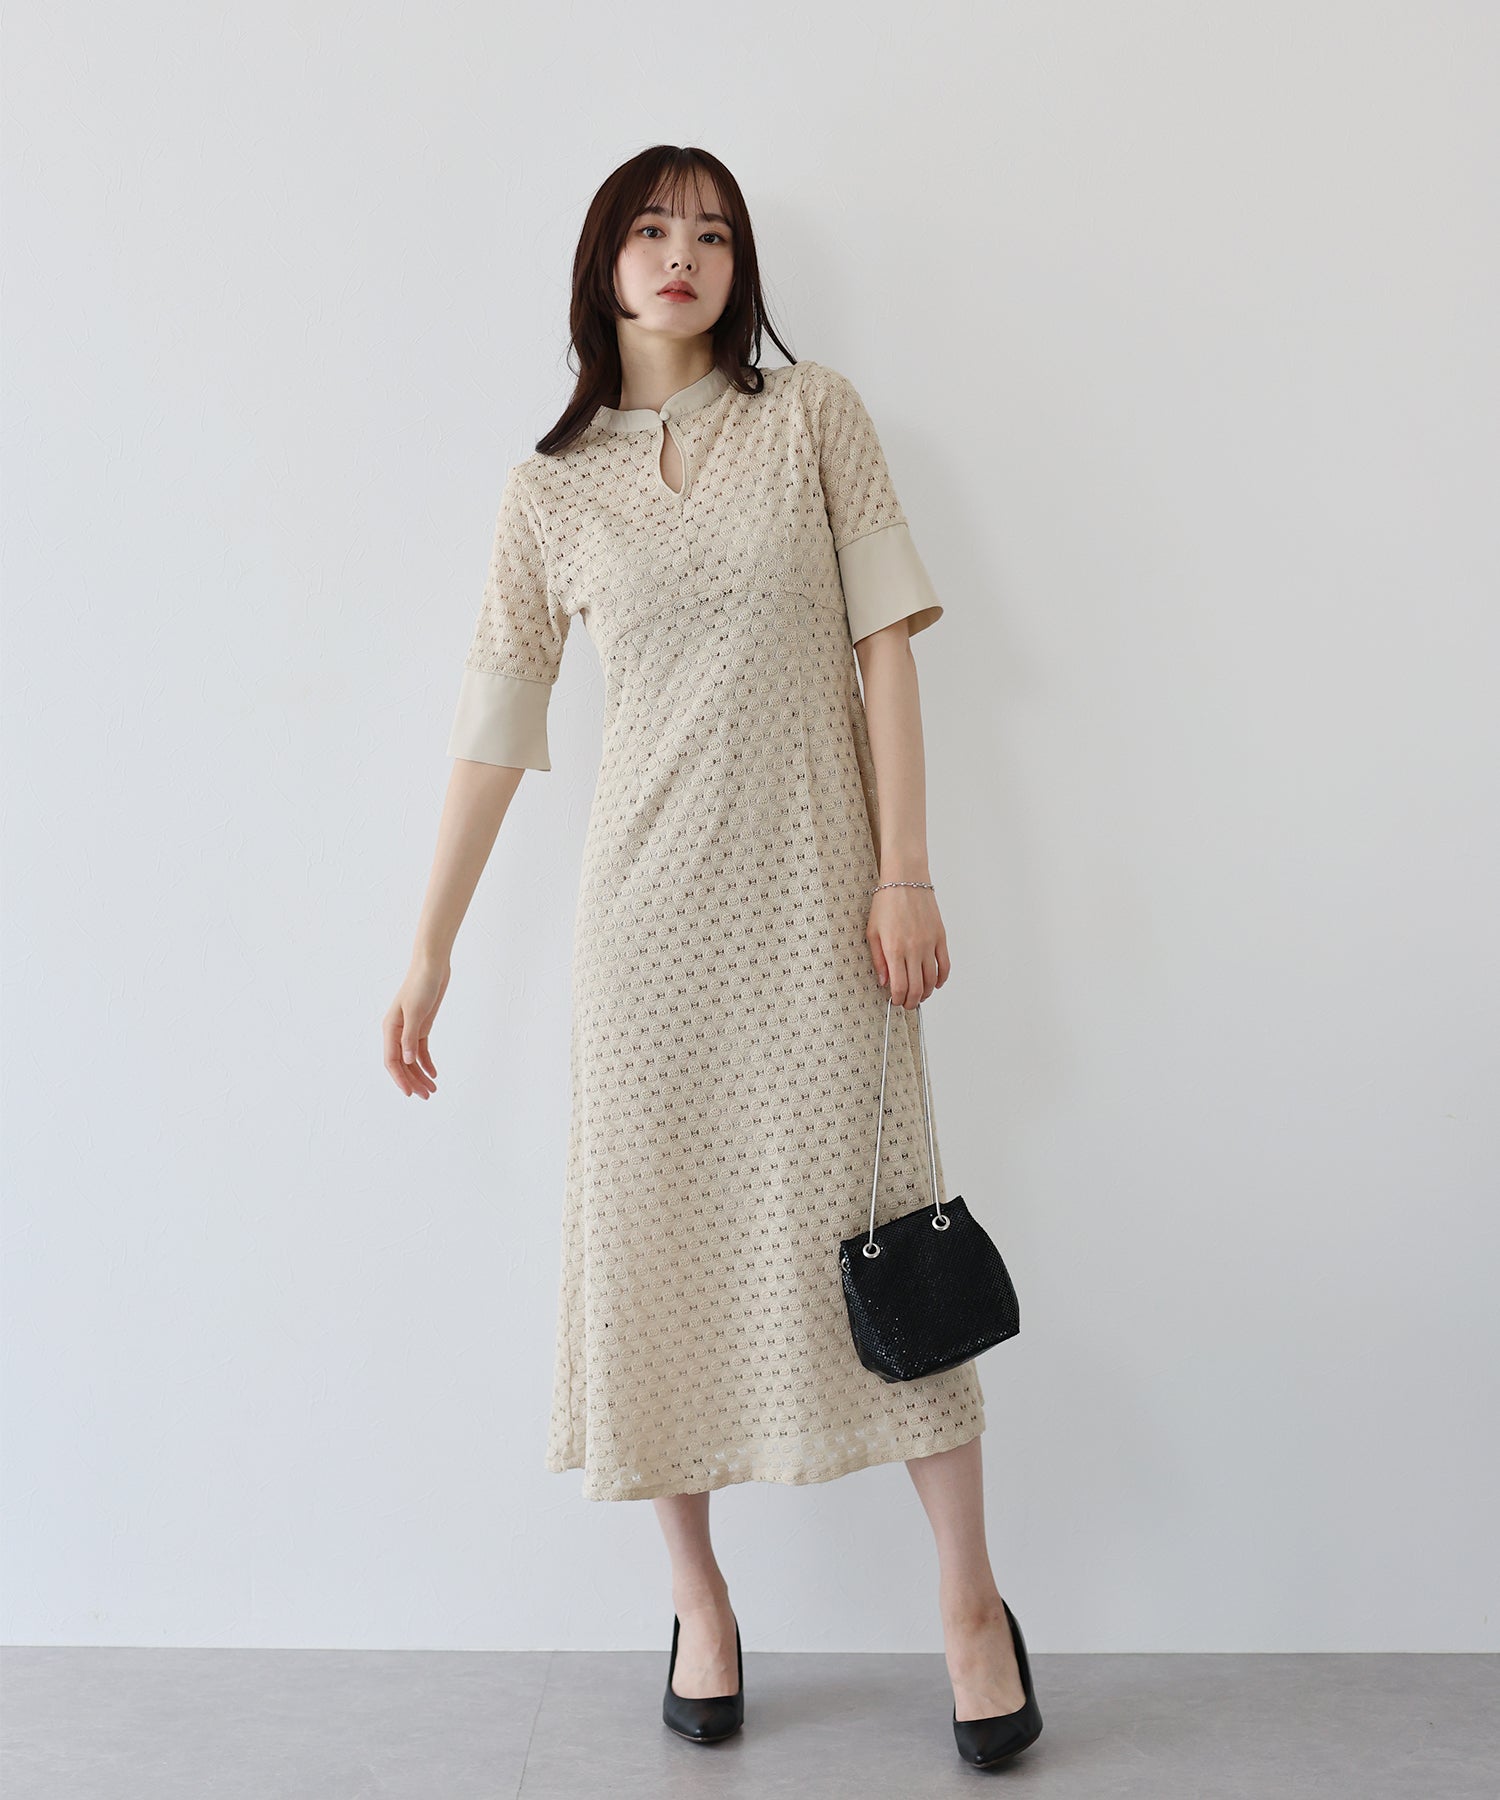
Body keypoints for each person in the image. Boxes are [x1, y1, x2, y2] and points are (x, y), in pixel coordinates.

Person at [383, 145, 1042, 1770]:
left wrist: (905, 870)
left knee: (895, 1233)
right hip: (648, 932)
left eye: (715, 233)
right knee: (652, 1254)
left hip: (827, 911)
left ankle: (970, 1606)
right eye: (652, 228)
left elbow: (886, 650)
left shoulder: (812, 419)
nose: (683, 253)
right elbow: (494, 732)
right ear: (604, 263)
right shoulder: (551, 491)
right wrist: (429, 950)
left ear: (742, 271)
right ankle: (698, 1602)